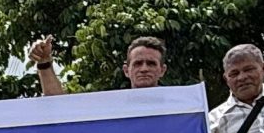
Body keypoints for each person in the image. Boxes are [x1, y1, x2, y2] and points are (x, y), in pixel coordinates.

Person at [28, 31, 167, 96]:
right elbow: (59, 111)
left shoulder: (183, 110)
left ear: (162, 70)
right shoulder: (109, 107)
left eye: (151, 63)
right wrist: (44, 62)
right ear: (126, 70)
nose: (144, 69)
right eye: (137, 63)